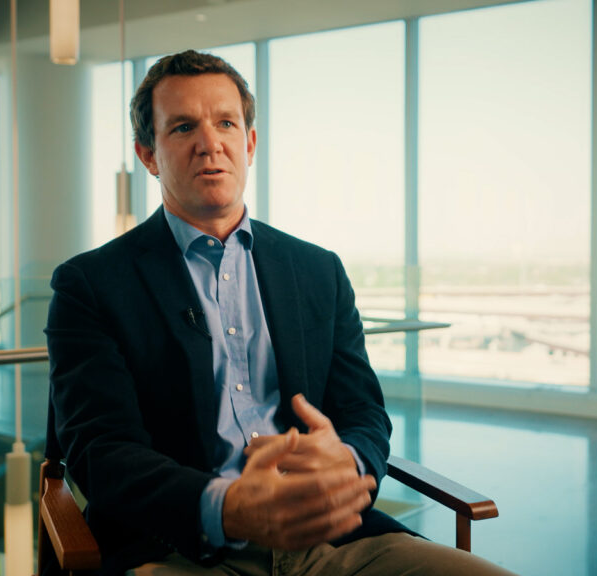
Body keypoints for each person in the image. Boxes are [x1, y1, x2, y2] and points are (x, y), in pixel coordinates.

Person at [45, 49, 514, 576]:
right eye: (182, 128)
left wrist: (350, 462)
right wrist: (229, 506)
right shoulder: (90, 284)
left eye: (226, 122)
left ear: (249, 143)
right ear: (148, 155)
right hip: (177, 547)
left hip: (334, 541)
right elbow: (101, 452)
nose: (209, 143)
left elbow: (364, 413)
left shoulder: (318, 270)